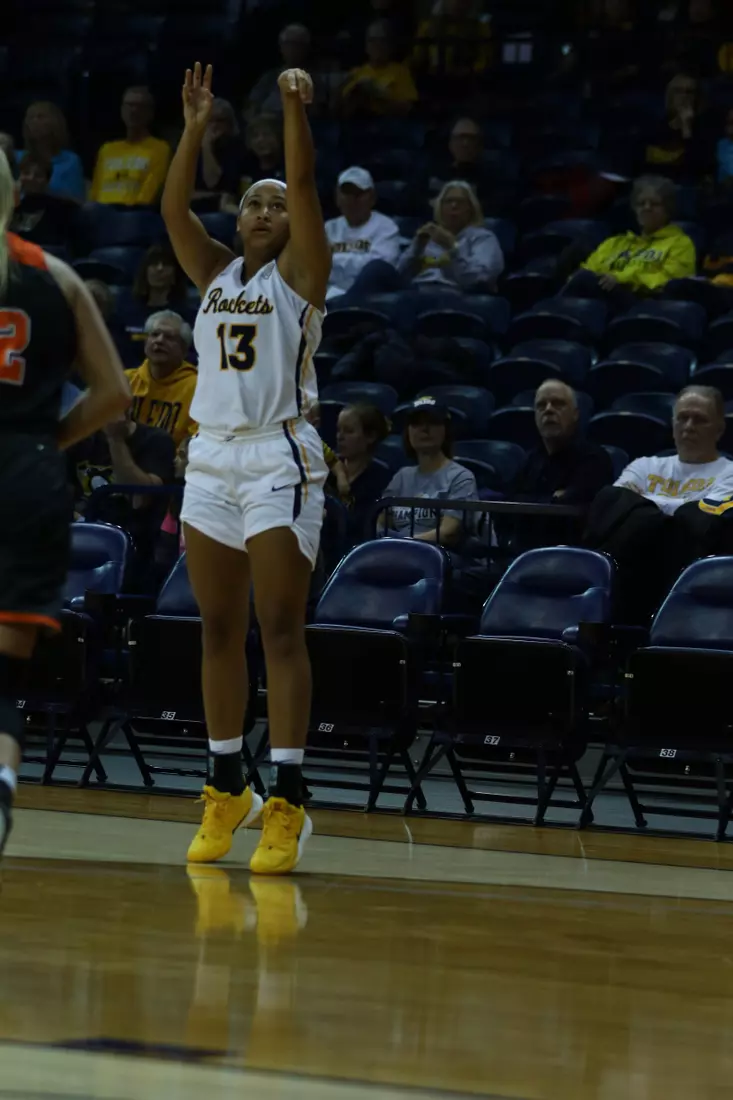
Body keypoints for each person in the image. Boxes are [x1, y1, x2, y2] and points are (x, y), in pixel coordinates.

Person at [162, 62, 331, 874]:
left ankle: (289, 799)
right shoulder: (214, 272)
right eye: (251, 200)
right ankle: (228, 783)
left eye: (274, 203)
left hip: (279, 452)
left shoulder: (301, 276)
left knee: (279, 629)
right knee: (218, 628)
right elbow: (169, 208)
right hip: (211, 458)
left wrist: (294, 107)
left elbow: (301, 180)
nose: (265, 209)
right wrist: (194, 129)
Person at [0, 150, 130, 855]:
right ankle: (1, 787)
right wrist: (46, 442)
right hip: (30, 479)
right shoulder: (60, 278)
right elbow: (116, 395)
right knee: (4, 676)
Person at [563, 175, 696, 309]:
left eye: (654, 204)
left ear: (668, 210)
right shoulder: (615, 243)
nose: (646, 208)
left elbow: (673, 281)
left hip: (644, 303)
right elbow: (588, 271)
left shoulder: (680, 243)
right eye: (641, 203)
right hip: (601, 299)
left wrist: (622, 278)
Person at [379, 396, 477, 545]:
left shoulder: (461, 477)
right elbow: (379, 523)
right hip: (397, 553)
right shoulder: (401, 477)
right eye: (416, 423)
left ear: (445, 430)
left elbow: (448, 533)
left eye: (433, 422)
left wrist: (402, 543)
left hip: (439, 558)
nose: (424, 429)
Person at [398, 180, 504, 292]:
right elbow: (398, 276)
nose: (454, 205)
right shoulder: (427, 237)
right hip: (417, 291)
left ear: (471, 208)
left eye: (460, 202)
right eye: (448, 201)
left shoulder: (483, 238)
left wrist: (452, 249)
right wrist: (417, 248)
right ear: (440, 207)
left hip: (458, 296)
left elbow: (478, 279)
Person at [325, 167, 401, 299]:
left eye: (359, 194)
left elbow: (380, 269)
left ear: (372, 198)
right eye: (347, 193)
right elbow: (315, 267)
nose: (352, 200)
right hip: (329, 294)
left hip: (371, 297)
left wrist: (334, 261)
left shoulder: (386, 227)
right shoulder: (328, 228)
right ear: (337, 197)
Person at [126, 311, 198, 449]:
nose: (159, 340)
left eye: (169, 337)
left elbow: (195, 443)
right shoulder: (126, 380)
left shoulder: (197, 388)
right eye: (154, 334)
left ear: (184, 350)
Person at [90, 87, 171, 206]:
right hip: (101, 213)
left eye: (140, 106)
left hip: (134, 214)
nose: (134, 110)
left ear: (150, 113)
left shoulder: (159, 149)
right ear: (122, 110)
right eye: (129, 105)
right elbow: (95, 192)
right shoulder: (107, 150)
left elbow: (149, 194)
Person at [335, 403, 392, 540]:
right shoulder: (326, 470)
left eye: (349, 431)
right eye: (339, 430)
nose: (340, 437)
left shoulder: (382, 477)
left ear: (370, 437)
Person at [340, 20, 418, 117]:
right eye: (372, 40)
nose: (377, 45)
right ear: (366, 46)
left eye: (382, 40)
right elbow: (342, 109)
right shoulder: (357, 73)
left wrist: (380, 96)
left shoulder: (401, 72)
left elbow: (408, 109)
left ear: (389, 45)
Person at [17, 101, 85, 204]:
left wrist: (43, 190)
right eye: (30, 118)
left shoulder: (70, 161)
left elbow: (77, 203)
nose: (34, 121)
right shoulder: (17, 157)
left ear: (55, 122)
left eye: (40, 117)